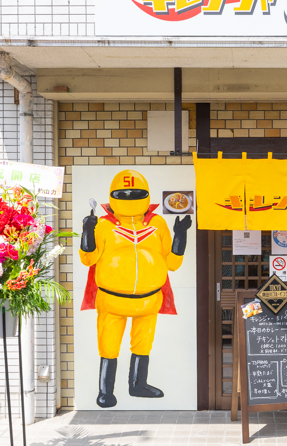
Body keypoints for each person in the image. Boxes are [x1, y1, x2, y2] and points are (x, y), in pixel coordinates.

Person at [79, 170, 191, 407]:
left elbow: (172, 263)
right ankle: (105, 391)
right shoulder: (103, 225)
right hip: (112, 300)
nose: (129, 198)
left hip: (149, 300)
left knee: (143, 344)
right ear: (113, 196)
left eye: (135, 194)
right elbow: (88, 259)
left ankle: (138, 385)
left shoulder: (157, 223)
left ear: (146, 195)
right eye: (124, 194)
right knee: (108, 346)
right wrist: (87, 232)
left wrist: (180, 236)